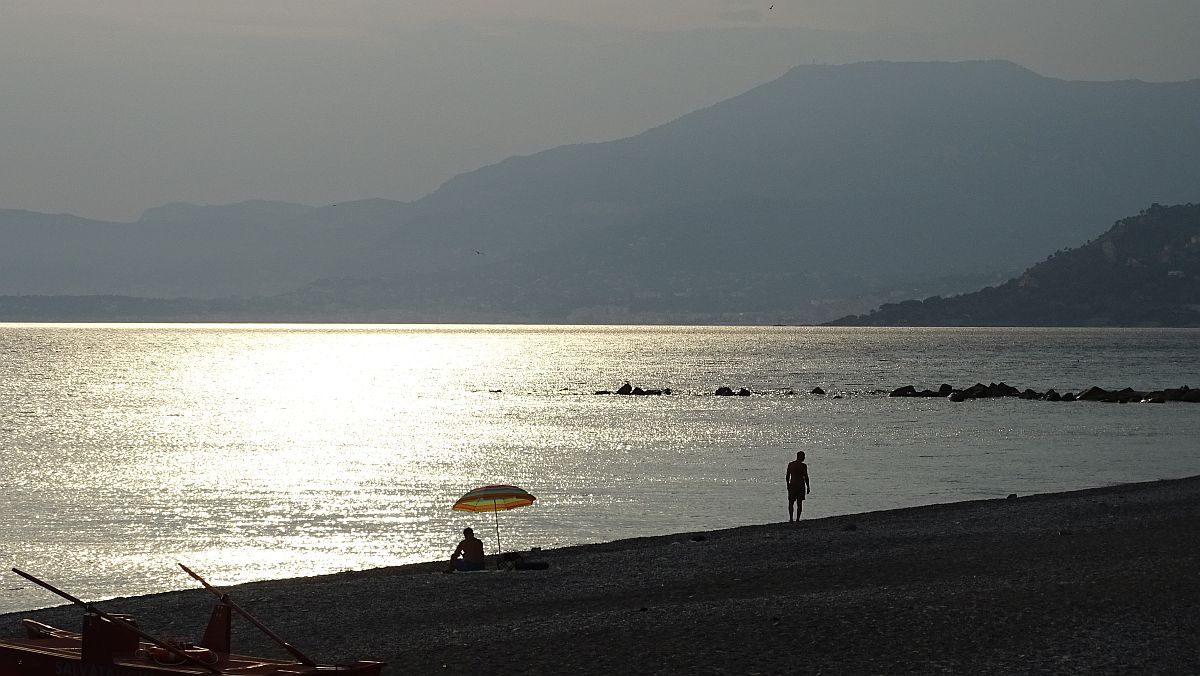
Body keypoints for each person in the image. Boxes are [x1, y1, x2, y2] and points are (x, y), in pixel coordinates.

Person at [786, 451, 811, 522]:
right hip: (800, 485)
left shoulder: (791, 464)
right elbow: (806, 477)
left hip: (792, 485)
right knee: (799, 503)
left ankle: (791, 518)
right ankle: (797, 519)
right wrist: (808, 486)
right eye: (803, 456)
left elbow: (787, 476)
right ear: (800, 457)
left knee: (791, 502)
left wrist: (788, 485)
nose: (804, 458)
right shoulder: (803, 466)